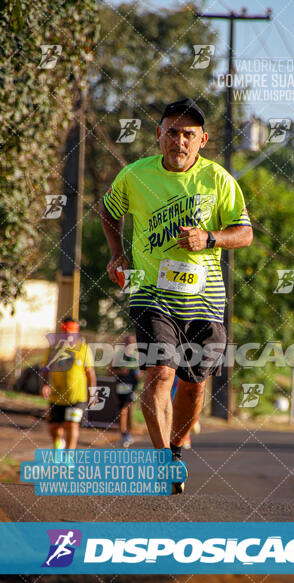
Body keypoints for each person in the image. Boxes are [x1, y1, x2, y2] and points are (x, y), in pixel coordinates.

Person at [101, 98, 252, 493]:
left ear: (202, 140)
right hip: (150, 292)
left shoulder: (218, 180)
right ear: (158, 135)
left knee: (194, 383)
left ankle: (176, 448)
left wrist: (210, 238)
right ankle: (162, 461)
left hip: (205, 299)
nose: (179, 141)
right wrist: (117, 254)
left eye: (188, 135)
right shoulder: (135, 176)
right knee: (160, 372)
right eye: (171, 132)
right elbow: (107, 210)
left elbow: (245, 233)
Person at [40, 317, 96, 450]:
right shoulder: (54, 348)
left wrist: (93, 393)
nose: (68, 334)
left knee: (72, 424)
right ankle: (58, 443)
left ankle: (68, 456)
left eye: (71, 331)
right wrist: (44, 384)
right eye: (66, 331)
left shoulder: (83, 348)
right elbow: (45, 368)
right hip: (57, 396)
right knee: (54, 427)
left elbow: (90, 372)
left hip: (77, 397)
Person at [109, 334, 141, 448]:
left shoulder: (137, 356)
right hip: (121, 385)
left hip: (133, 385)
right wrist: (121, 372)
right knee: (124, 408)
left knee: (128, 408)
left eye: (132, 342)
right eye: (127, 342)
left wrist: (139, 375)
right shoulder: (118, 355)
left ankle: (128, 432)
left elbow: (142, 371)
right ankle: (123, 433)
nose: (129, 344)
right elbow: (110, 370)